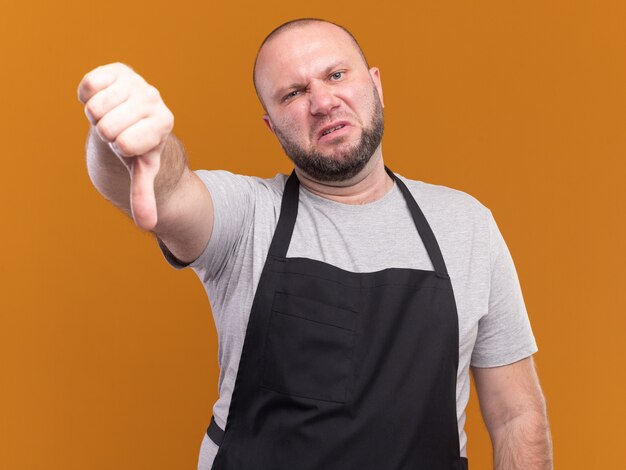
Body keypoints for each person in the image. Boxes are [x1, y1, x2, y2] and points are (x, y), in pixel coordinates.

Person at [77, 18, 553, 470]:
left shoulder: (466, 225)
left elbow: (517, 416)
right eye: (294, 93)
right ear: (272, 126)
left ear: (375, 85)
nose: (323, 102)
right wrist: (124, 143)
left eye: (336, 74)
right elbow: (170, 190)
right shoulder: (248, 217)